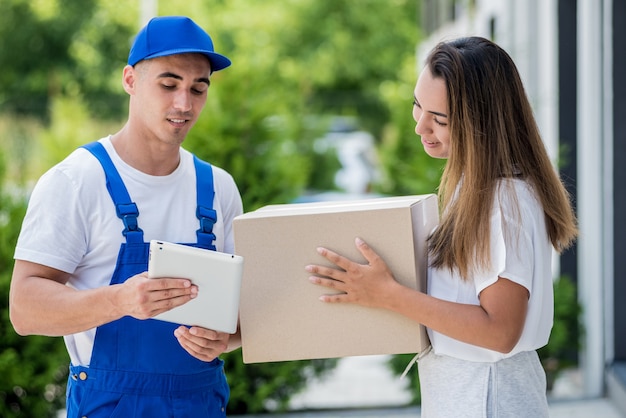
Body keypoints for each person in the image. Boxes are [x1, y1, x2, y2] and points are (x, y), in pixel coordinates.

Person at [305, 36, 578, 417]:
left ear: (481, 122)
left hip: (488, 396)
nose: (420, 127)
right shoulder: (475, 186)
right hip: (469, 390)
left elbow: (500, 332)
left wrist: (388, 293)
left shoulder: (502, 201)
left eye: (440, 119)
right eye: (418, 106)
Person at [9, 16, 243, 417]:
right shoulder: (77, 181)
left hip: (201, 404)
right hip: (109, 405)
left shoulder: (218, 188)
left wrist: (227, 338)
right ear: (130, 80)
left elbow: (244, 313)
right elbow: (25, 309)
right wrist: (120, 300)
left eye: (197, 89)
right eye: (168, 85)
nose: (184, 104)